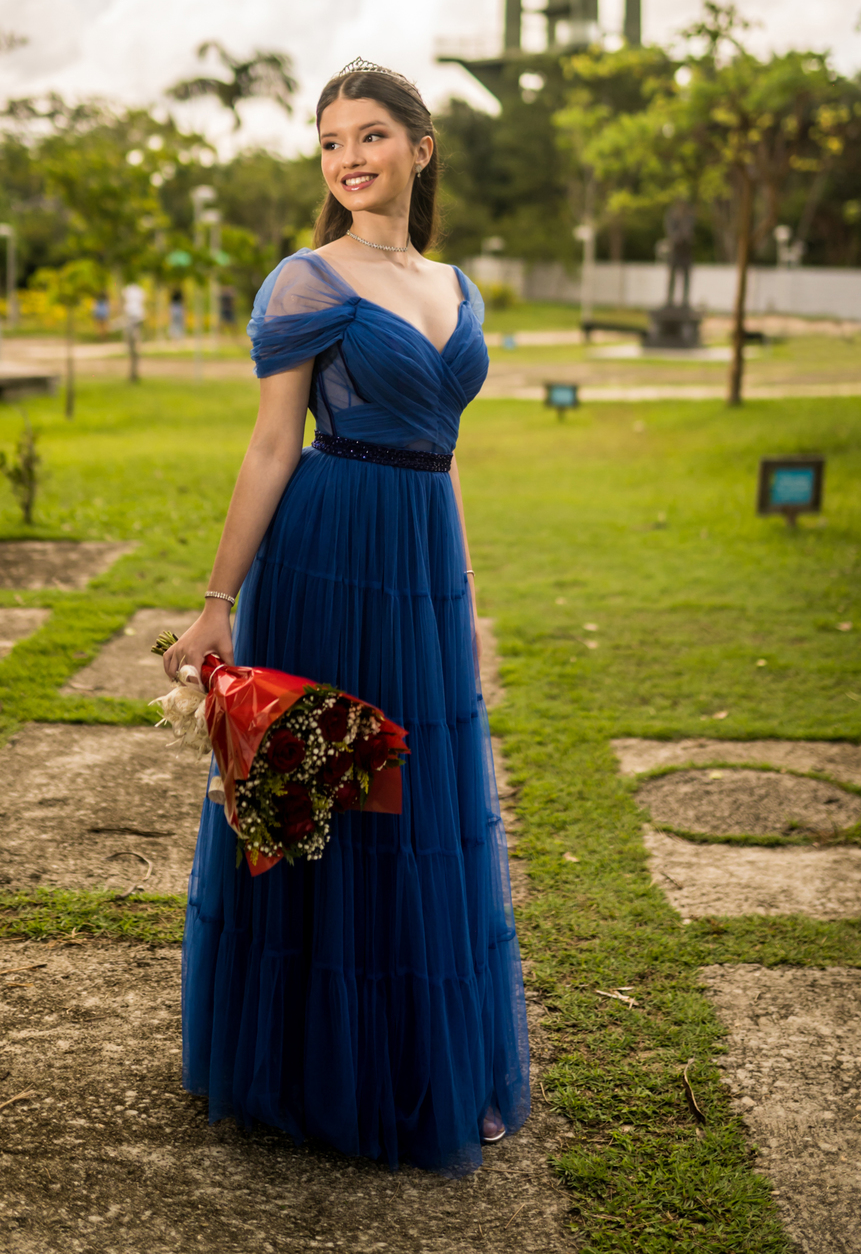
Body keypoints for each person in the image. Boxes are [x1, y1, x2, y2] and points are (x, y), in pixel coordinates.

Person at [163, 58, 529, 1171]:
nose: (349, 159)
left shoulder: (456, 285)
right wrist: (218, 602)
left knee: (415, 809)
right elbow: (275, 443)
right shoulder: (305, 279)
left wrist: (462, 603)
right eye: (330, 143)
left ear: (422, 148)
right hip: (325, 552)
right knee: (319, 796)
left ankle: (408, 1059)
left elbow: (447, 457)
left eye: (371, 136)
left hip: (417, 559)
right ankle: (301, 1067)